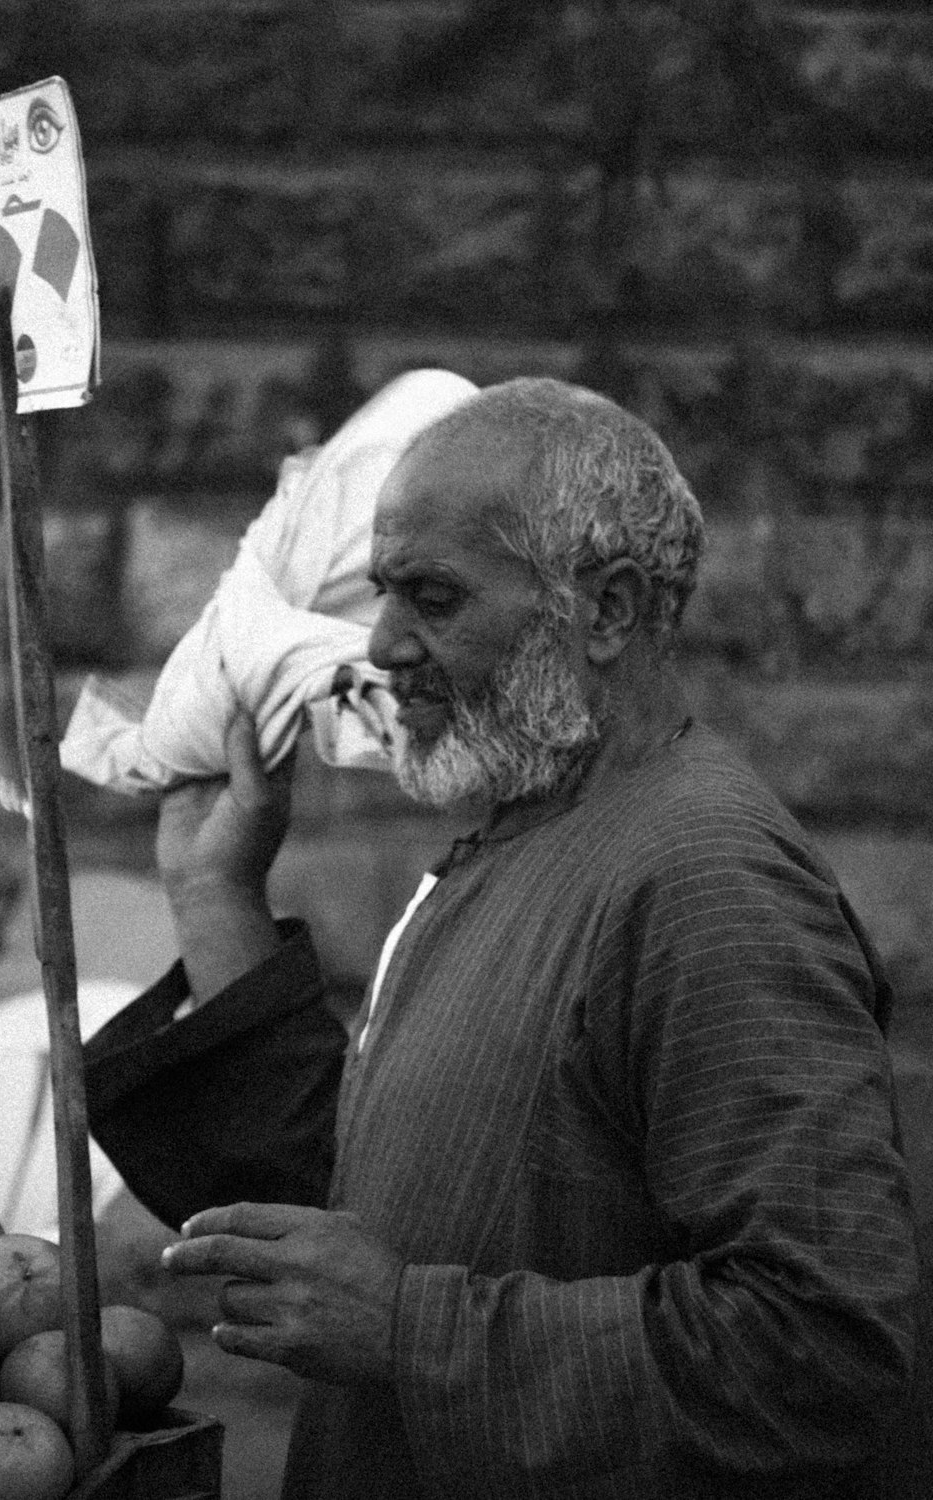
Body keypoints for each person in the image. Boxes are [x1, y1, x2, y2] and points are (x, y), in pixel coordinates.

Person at [83, 377, 928, 1499]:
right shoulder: (523, 836)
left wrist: (408, 1328)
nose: (380, 647)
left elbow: (822, 1350)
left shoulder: (710, 885)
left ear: (608, 610)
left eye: (433, 598)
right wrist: (216, 894)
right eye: (383, 596)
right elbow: (373, 1202)